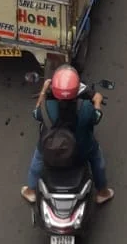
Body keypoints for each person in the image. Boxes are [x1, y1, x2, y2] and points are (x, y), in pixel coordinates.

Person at [21, 64, 113, 206]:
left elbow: (35, 114)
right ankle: (102, 192)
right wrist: (98, 101)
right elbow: (97, 117)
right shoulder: (86, 108)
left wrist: (44, 90)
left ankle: (31, 191)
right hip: (81, 150)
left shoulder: (46, 106)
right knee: (96, 158)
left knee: (38, 157)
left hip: (49, 148)